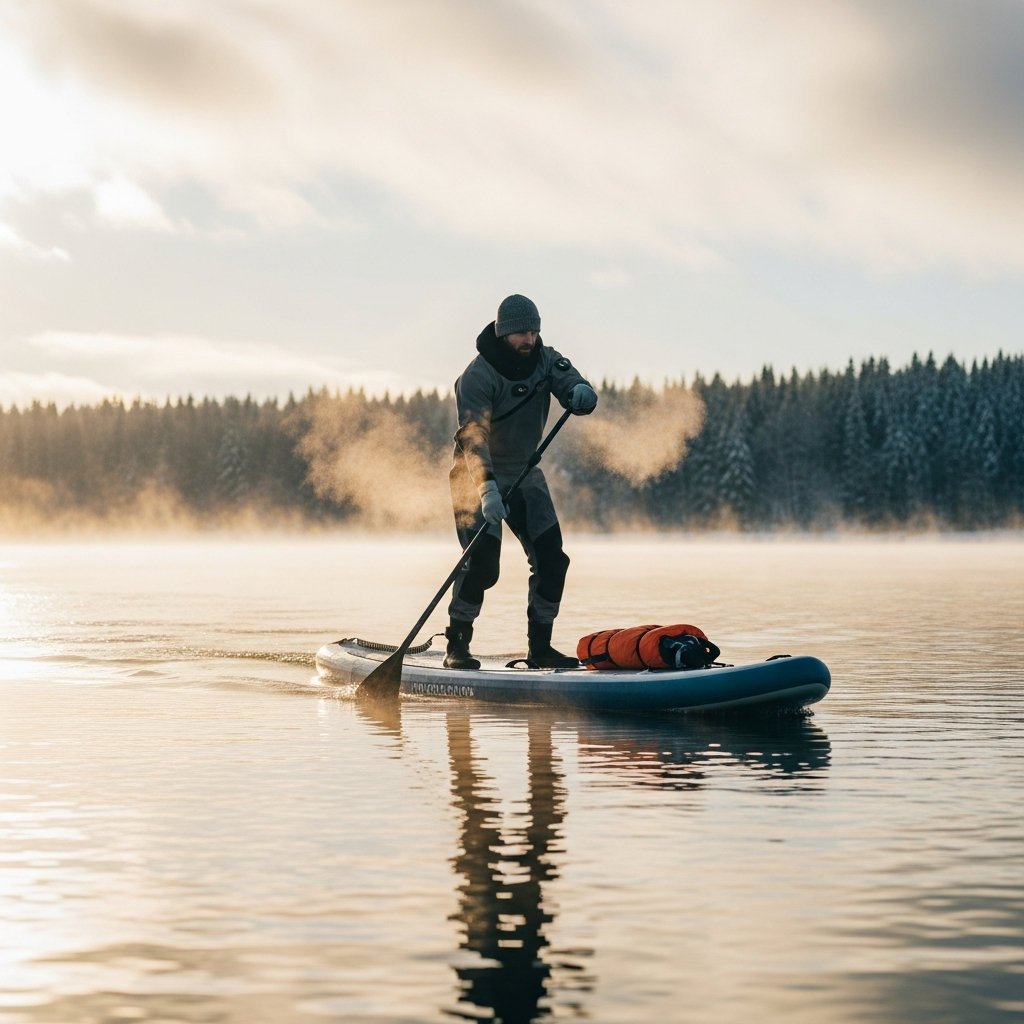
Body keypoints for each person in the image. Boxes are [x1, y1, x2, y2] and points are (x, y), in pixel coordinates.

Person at [445, 294, 598, 670]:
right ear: (503, 334)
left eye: (534, 331)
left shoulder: (546, 359)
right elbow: (473, 436)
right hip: (474, 474)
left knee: (552, 561)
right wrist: (487, 489)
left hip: (525, 474)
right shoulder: (477, 376)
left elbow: (570, 382)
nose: (529, 340)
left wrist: (581, 393)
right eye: (521, 334)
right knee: (483, 567)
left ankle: (540, 649)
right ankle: (457, 648)